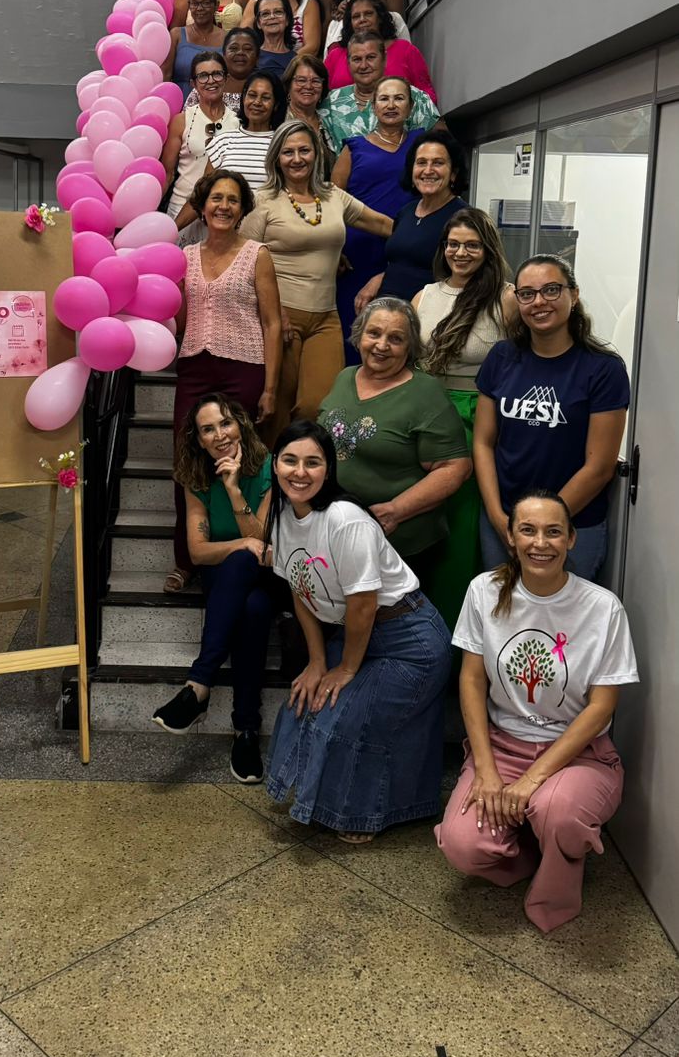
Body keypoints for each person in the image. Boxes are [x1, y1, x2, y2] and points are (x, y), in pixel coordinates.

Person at [435, 490, 638, 932]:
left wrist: (531, 780)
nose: (540, 543)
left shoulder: (603, 608)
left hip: (578, 754)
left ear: (571, 540)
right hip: (504, 746)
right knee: (462, 845)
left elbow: (602, 706)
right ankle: (534, 846)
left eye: (553, 532)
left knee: (558, 812)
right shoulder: (484, 591)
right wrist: (486, 770)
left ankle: (556, 885)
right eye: (527, 530)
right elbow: (472, 681)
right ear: (510, 537)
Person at [265, 420, 452, 841]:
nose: (300, 472)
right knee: (303, 700)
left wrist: (346, 669)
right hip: (357, 635)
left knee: (342, 719)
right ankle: (317, 800)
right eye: (290, 461)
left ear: (328, 469)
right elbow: (300, 588)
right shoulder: (281, 516)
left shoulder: (345, 519)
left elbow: (364, 605)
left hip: (409, 641)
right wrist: (317, 662)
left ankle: (359, 815)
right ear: (275, 465)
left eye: (312, 462)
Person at [473, 255, 630, 581]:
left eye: (551, 290)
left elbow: (599, 467)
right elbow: (483, 442)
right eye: (527, 293)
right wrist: (497, 516)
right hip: (503, 523)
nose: (539, 301)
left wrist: (540, 528)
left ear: (574, 294)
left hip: (571, 527)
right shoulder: (501, 357)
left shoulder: (604, 369)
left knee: (563, 614)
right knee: (503, 609)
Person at [240, 120, 393, 443]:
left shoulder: (333, 196)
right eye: (288, 152)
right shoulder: (262, 200)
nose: (297, 159)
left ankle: (307, 469)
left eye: (304, 150)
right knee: (276, 414)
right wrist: (275, 312)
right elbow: (245, 262)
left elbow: (383, 225)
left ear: (317, 154)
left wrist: (428, 238)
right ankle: (273, 473)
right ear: (276, 158)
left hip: (326, 318)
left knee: (319, 407)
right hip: (281, 318)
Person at [167, 176, 282, 593]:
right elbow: (179, 318)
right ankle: (187, 559)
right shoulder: (184, 256)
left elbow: (272, 323)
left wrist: (270, 388)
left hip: (244, 369)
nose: (224, 206)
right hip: (194, 367)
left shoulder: (257, 255)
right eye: (216, 198)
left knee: (240, 458)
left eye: (233, 200)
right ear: (202, 207)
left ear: (242, 209)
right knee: (186, 458)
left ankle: (241, 554)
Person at [155, 395, 275, 784]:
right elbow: (198, 552)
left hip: (265, 572)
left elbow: (263, 543)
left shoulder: (268, 466)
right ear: (199, 440)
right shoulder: (195, 476)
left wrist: (235, 488)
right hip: (224, 578)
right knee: (253, 608)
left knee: (246, 565)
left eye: (225, 423)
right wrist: (242, 544)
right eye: (208, 429)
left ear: (241, 424)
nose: (220, 435)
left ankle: (198, 685)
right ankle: (246, 729)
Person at [319, 298, 471, 589]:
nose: (382, 345)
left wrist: (395, 510)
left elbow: (455, 467)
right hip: (339, 535)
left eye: (396, 338)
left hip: (397, 544)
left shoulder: (426, 392)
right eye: (374, 333)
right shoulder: (345, 377)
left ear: (410, 346)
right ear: (360, 335)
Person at [413, 209, 517, 627]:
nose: (461, 252)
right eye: (453, 244)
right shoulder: (424, 296)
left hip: (478, 418)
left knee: (460, 529)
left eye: (472, 245)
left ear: (487, 249)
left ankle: (458, 635)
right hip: (426, 415)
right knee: (423, 522)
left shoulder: (506, 299)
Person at [331, 75, 426, 361]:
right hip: (357, 256)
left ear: (410, 107)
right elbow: (332, 202)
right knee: (355, 333)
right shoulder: (353, 148)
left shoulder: (422, 144)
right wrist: (334, 251)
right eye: (384, 99)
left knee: (401, 334)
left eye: (399, 98)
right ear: (373, 106)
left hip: (407, 253)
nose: (391, 105)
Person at [355, 129, 468, 310]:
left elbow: (470, 277)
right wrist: (380, 278)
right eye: (421, 162)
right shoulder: (406, 212)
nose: (428, 170)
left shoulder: (464, 218)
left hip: (430, 316)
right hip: (388, 313)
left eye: (438, 163)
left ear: (453, 173)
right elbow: (403, 263)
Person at [173, 72, 287, 228]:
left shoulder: (283, 145)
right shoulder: (222, 142)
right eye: (252, 95)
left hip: (269, 231)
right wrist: (172, 230)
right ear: (243, 99)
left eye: (266, 98)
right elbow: (201, 196)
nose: (257, 102)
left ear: (276, 105)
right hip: (226, 232)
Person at [320, 33, 439, 157]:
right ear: (348, 63)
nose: (363, 65)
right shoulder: (331, 103)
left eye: (371, 57)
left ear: (384, 58)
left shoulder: (414, 97)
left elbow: (441, 143)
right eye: (357, 59)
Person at [163, 52, 240, 225]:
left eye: (217, 74)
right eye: (203, 76)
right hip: (180, 211)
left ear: (226, 78)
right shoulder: (181, 120)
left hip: (221, 215)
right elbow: (167, 174)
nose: (211, 81)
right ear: (193, 83)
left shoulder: (238, 123)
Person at [326, 0, 430, 94]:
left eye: (368, 14)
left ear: (380, 17)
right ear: (350, 22)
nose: (362, 19)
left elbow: (426, 94)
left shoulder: (405, 50)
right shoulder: (335, 56)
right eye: (356, 16)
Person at [163, 0, 224, 98]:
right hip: (180, 104)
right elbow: (166, 75)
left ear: (216, 5)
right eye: (195, 3)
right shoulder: (176, 35)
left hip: (216, 103)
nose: (200, 8)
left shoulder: (227, 38)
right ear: (189, 6)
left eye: (206, 3)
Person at [281, 52, 334, 177]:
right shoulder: (278, 120)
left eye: (316, 81)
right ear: (289, 85)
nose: (309, 86)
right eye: (301, 80)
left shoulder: (330, 122)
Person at [185, 25, 259, 113]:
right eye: (234, 48)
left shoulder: (265, 87)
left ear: (257, 57)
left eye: (247, 49)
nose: (240, 53)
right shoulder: (206, 85)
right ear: (224, 54)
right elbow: (187, 118)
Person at [251, 0, 297, 81]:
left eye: (278, 12)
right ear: (258, 23)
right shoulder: (251, 56)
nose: (272, 17)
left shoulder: (296, 61)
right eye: (265, 14)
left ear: (287, 20)